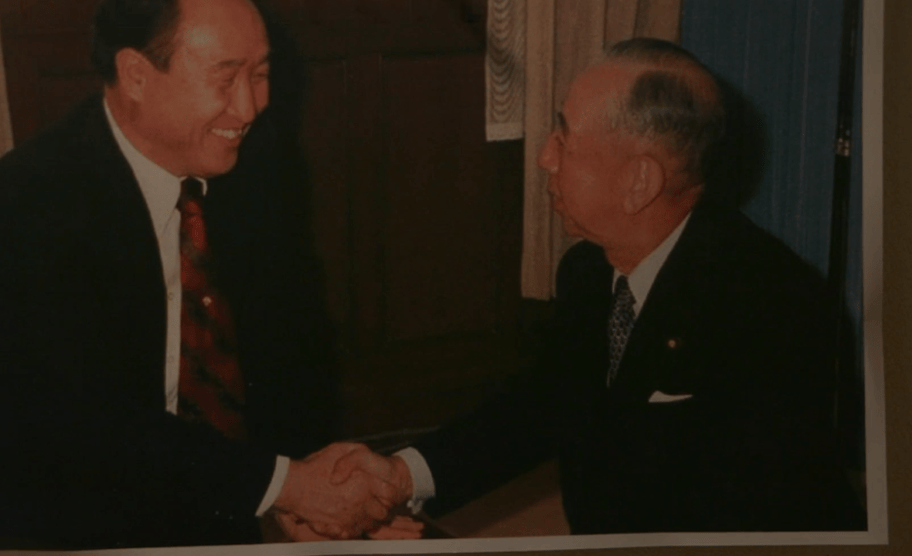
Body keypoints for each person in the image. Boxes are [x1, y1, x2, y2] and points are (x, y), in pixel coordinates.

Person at [0, 0, 413, 551]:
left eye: (261, 74)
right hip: (54, 522)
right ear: (136, 75)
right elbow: (86, 430)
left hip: (204, 496)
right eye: (225, 78)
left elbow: (290, 356)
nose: (249, 108)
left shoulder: (252, 172)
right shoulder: (23, 209)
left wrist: (308, 491)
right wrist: (284, 487)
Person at [333, 38, 866, 534]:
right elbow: (544, 403)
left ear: (639, 181)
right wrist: (401, 476)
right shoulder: (589, 270)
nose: (545, 157)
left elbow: (729, 517)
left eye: (565, 140)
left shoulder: (774, 307)